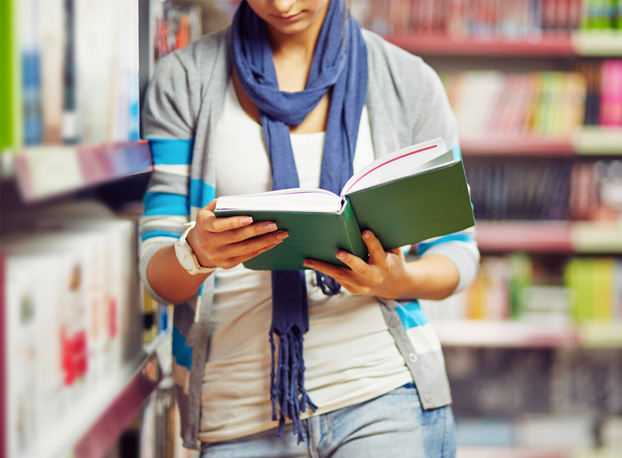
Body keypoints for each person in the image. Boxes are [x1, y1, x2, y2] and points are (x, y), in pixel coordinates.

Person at [139, 0, 479, 456]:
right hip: (237, 413)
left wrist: (396, 281)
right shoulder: (184, 80)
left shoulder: (408, 81)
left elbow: (458, 252)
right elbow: (158, 275)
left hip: (383, 396)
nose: (282, 4)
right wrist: (195, 252)